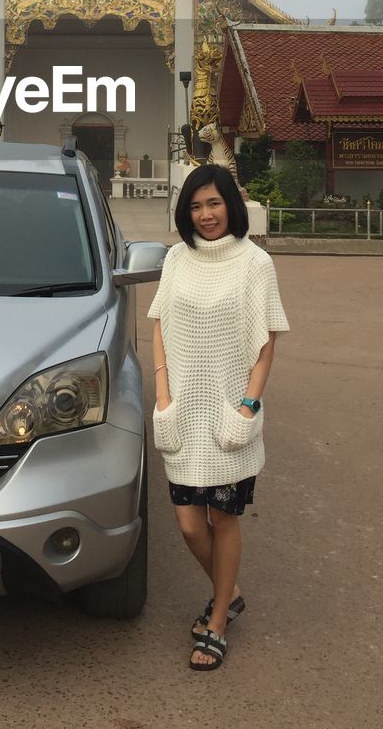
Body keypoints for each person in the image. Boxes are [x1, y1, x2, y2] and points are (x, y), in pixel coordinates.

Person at [149, 163, 289, 672]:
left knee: (223, 518)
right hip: (183, 411)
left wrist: (248, 405)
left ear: (231, 203)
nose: (206, 215)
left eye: (214, 203)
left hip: (230, 411)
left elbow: (266, 338)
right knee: (189, 524)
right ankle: (228, 592)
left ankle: (219, 622)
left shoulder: (255, 263)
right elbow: (160, 323)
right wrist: (163, 392)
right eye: (195, 206)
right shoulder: (177, 260)